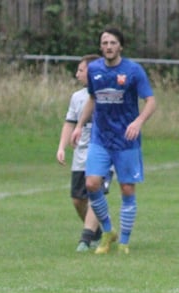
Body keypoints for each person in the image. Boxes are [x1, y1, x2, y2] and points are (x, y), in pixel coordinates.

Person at [71, 27, 156, 255]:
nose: (108, 46)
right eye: (105, 42)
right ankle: (108, 231)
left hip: (127, 140)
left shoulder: (133, 71)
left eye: (113, 42)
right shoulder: (95, 69)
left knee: (127, 188)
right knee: (91, 184)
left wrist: (138, 122)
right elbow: (92, 99)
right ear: (101, 47)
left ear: (121, 46)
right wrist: (79, 126)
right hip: (101, 138)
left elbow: (150, 101)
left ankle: (124, 242)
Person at [56, 54, 106, 252]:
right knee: (78, 199)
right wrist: (61, 147)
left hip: (103, 151)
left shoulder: (107, 94)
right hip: (80, 154)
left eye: (81, 70)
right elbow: (69, 123)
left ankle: (85, 239)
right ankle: (99, 232)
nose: (77, 74)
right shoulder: (77, 97)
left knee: (95, 191)